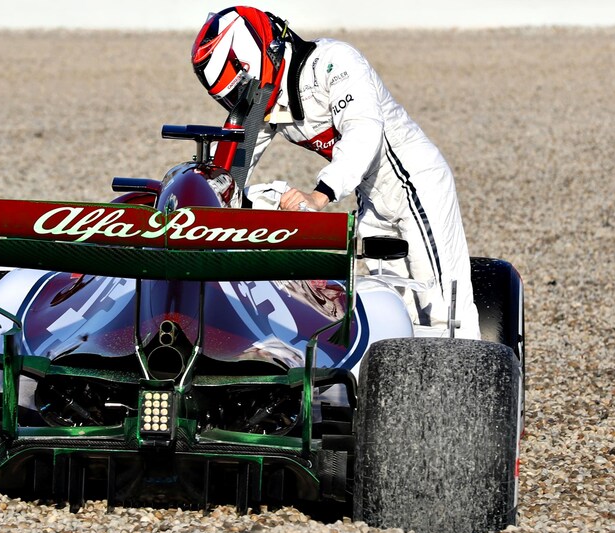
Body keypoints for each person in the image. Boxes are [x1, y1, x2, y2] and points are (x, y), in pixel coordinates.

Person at [191, 6, 480, 339]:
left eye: (239, 87)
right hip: (371, 199)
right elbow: (230, 168)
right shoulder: (265, 101)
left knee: (444, 311)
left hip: (417, 183)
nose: (238, 99)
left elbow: (363, 132)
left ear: (259, 57)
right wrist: (196, 200)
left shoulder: (335, 62)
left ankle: (475, 385)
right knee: (400, 319)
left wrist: (319, 195)